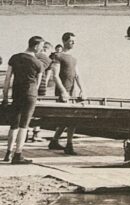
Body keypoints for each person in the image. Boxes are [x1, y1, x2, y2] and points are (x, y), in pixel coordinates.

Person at [2, 35, 44, 163]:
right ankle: (18, 154)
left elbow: (7, 79)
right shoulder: (38, 63)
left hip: (16, 94)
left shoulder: (14, 58)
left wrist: (5, 96)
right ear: (36, 46)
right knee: (24, 125)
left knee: (14, 124)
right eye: (41, 47)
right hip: (30, 94)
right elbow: (37, 84)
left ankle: (8, 153)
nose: (41, 50)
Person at [48, 31, 86, 156]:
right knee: (69, 118)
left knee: (70, 119)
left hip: (72, 91)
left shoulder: (74, 59)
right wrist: (63, 91)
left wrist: (83, 90)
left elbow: (77, 75)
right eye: (71, 41)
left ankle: (54, 141)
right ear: (64, 41)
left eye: (74, 41)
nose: (73, 43)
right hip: (63, 92)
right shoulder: (58, 56)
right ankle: (69, 145)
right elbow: (55, 75)